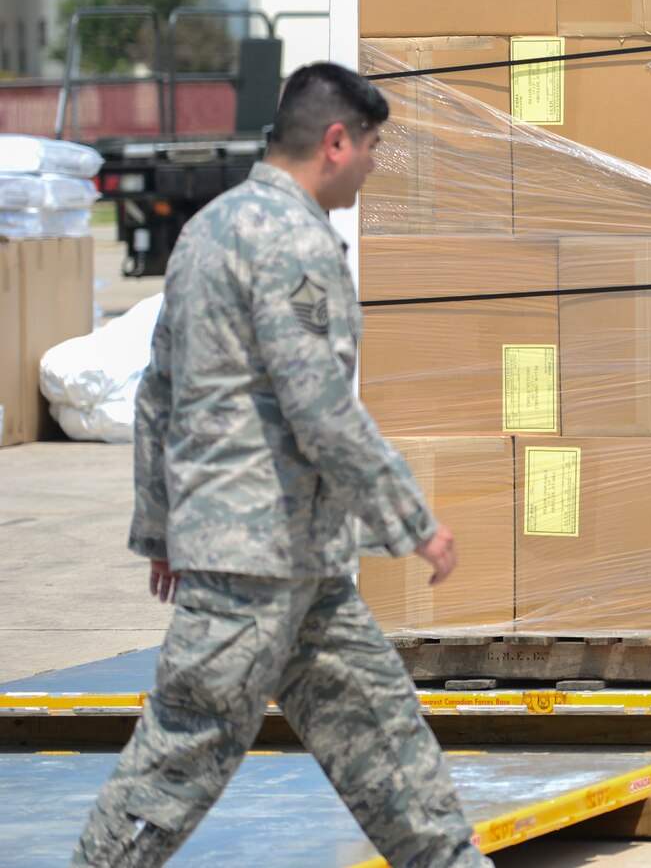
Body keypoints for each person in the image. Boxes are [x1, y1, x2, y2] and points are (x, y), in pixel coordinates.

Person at [73, 63, 489, 868]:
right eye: (370, 146)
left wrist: (162, 526)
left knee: (388, 744)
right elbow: (320, 403)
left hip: (301, 568)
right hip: (252, 568)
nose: (373, 163)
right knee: (180, 757)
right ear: (335, 142)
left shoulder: (206, 230)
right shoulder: (294, 241)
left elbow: (157, 393)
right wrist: (413, 520)